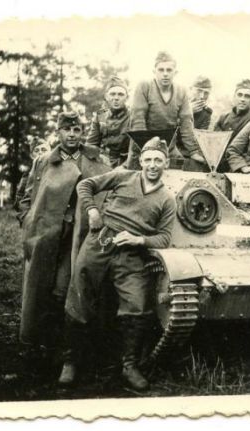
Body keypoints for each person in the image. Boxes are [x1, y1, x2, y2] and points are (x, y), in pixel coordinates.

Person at [60, 137, 177, 390]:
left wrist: (139, 239)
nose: (153, 165)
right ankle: (70, 362)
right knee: (80, 294)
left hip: (132, 254)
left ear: (166, 163)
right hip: (100, 241)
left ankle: (129, 365)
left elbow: (165, 238)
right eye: (148, 159)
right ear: (140, 161)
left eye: (158, 160)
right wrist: (92, 210)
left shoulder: (167, 199)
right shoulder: (123, 176)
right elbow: (86, 185)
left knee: (137, 304)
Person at [16, 111, 110, 345]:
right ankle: (44, 339)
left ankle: (69, 343)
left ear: (83, 132)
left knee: (67, 286)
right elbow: (28, 196)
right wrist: (28, 220)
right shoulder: (44, 161)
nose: (72, 134)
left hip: (81, 234)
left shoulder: (96, 160)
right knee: (41, 285)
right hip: (47, 233)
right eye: (67, 129)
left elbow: (107, 193)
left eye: (77, 129)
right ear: (58, 132)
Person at [127, 51, 207, 171]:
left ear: (175, 72)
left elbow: (186, 123)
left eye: (169, 70)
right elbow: (138, 120)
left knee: (180, 173)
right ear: (154, 71)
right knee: (139, 178)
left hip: (168, 146)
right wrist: (147, 149)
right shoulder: (144, 87)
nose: (165, 74)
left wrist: (193, 151)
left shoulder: (181, 91)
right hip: (142, 145)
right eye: (161, 70)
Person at [86, 76, 131, 168]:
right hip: (104, 162)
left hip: (127, 163)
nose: (116, 98)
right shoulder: (100, 116)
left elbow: (137, 149)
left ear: (127, 97)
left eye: (120, 94)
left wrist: (125, 166)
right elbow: (91, 144)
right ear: (106, 97)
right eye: (112, 94)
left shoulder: (133, 116)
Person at [14, 138, 51, 215]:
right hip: (32, 214)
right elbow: (18, 200)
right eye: (36, 151)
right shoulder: (27, 175)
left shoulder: (56, 171)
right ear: (31, 155)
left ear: (50, 152)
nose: (40, 153)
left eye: (44, 150)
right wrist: (25, 214)